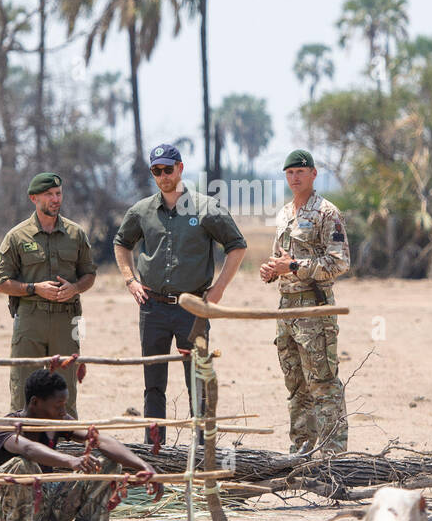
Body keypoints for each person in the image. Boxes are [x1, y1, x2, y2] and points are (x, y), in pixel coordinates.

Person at [114, 143, 247, 442]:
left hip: (193, 308)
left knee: (197, 380)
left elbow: (237, 246)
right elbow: (121, 243)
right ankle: (155, 451)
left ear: (181, 168)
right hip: (153, 308)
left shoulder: (206, 208)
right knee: (153, 383)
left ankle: (200, 452)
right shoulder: (142, 211)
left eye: (168, 169)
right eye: (156, 171)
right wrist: (130, 280)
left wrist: (218, 290)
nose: (163, 176)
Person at [0, 369, 163, 521]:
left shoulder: (58, 421)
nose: (64, 412)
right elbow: (28, 448)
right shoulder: (5, 426)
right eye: (59, 406)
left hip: (48, 509)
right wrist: (69, 461)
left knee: (107, 461)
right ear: (35, 403)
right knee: (21, 465)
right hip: (8, 516)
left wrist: (144, 465)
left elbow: (100, 439)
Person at [259, 149, 351, 455]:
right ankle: (301, 451)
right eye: (289, 173)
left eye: (300, 171)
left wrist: (295, 266)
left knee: (323, 383)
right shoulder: (285, 214)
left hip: (315, 308)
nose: (294, 177)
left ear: (313, 174)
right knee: (296, 387)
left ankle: (333, 456)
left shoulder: (327, 213)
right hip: (286, 308)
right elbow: (280, 258)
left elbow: (338, 263)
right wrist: (272, 271)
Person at [0, 172, 96, 418]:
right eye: (48, 194)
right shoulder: (17, 236)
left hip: (67, 320)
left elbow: (89, 274)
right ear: (34, 198)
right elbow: (1, 282)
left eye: (58, 194)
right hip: (31, 319)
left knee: (65, 388)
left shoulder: (75, 234)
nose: (55, 199)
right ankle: (21, 444)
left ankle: (67, 446)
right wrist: (34, 288)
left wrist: (75, 288)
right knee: (23, 387)